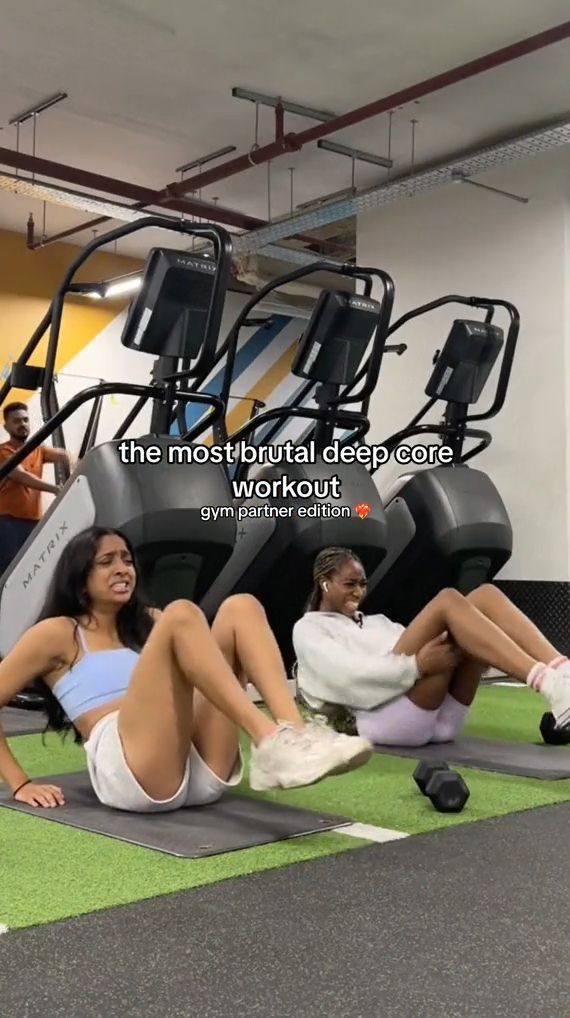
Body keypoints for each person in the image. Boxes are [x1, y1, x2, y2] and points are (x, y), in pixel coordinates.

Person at [0, 527, 372, 811]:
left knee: (240, 606)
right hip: (134, 773)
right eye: (106, 561)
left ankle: (294, 735)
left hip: (198, 767)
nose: (122, 569)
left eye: (127, 560)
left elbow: (206, 670)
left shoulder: (148, 623)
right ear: (80, 576)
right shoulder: (58, 633)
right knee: (182, 614)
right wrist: (19, 784)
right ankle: (269, 738)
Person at [292, 546, 570, 747]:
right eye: (349, 584)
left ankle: (564, 674)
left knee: (485, 596)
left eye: (362, 584)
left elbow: (429, 650)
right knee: (448, 601)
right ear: (325, 584)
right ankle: (549, 684)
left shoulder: (377, 622)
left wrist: (474, 645)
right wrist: (415, 666)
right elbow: (347, 679)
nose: (358, 592)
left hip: (443, 718)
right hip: (382, 720)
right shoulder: (309, 629)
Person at [0, 402, 75, 577]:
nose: (22, 424)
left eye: (25, 420)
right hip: (7, 521)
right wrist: (55, 489)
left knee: (30, 571)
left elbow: (63, 454)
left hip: (33, 521)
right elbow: (20, 476)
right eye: (17, 421)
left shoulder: (37, 450)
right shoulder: (4, 451)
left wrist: (72, 463)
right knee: (8, 571)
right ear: (6, 426)